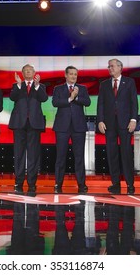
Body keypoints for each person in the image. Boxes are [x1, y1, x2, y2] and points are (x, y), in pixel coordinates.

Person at [97, 58, 138, 195]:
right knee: (112, 153)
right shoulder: (104, 84)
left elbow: (134, 102)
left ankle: (130, 183)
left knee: (126, 153)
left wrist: (133, 119)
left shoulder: (129, 82)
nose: (110, 68)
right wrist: (100, 121)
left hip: (125, 123)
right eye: (109, 66)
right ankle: (115, 183)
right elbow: (101, 104)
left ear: (120, 67)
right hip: (109, 124)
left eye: (112, 66)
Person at [8, 64, 48, 192]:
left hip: (34, 124)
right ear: (22, 73)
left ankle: (32, 182)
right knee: (19, 154)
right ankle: (18, 181)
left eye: (30, 70)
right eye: (25, 71)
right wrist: (19, 85)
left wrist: (36, 86)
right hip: (19, 123)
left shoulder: (40, 86)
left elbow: (44, 98)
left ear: (34, 72)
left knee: (33, 154)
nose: (28, 72)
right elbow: (12, 97)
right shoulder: (17, 86)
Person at [52, 65, 91, 193]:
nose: (73, 76)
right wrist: (70, 98)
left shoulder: (82, 89)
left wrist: (77, 97)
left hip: (78, 127)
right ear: (66, 75)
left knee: (79, 157)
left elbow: (87, 102)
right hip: (62, 127)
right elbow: (55, 102)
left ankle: (81, 184)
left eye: (75, 74)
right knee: (60, 157)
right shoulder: (58, 89)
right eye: (71, 74)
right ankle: (58, 183)